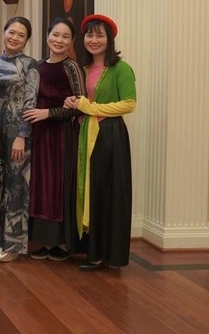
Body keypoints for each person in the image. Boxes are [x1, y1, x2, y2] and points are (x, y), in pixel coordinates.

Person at [64, 14, 136, 271]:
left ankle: (105, 253)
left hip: (109, 137)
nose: (93, 40)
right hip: (84, 135)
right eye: (89, 35)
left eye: (100, 35)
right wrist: (72, 103)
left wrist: (90, 108)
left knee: (105, 191)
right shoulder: (81, 69)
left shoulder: (121, 69)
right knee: (86, 190)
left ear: (109, 39)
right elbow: (80, 102)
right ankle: (89, 249)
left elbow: (129, 103)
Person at [23, 17, 86, 261]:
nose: (59, 40)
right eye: (55, 35)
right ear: (47, 36)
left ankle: (60, 241)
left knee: (58, 186)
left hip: (61, 135)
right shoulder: (37, 66)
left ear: (71, 42)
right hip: (38, 135)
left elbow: (79, 106)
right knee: (40, 186)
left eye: (65, 37)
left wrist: (48, 113)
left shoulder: (72, 68)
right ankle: (44, 241)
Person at [0, 17, 39, 262]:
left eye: (21, 35)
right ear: (4, 31)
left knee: (16, 184)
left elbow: (31, 102)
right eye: (12, 32)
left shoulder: (30, 65)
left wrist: (22, 135)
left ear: (26, 40)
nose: (15, 37)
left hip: (16, 133)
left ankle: (13, 244)